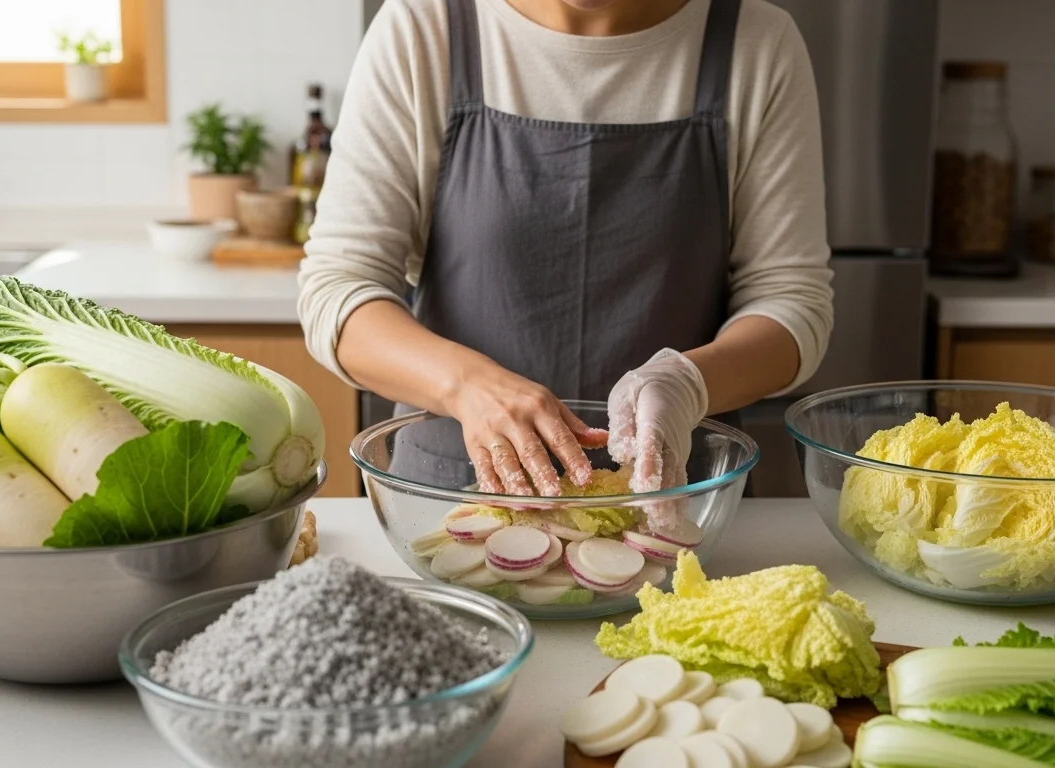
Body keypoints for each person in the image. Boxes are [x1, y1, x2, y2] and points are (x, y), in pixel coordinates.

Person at [298, 0, 833, 499]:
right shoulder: (424, 28)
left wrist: (687, 384)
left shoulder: (755, 43)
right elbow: (339, 289)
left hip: (676, 505)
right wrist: (467, 386)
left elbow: (790, 303)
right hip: (450, 500)